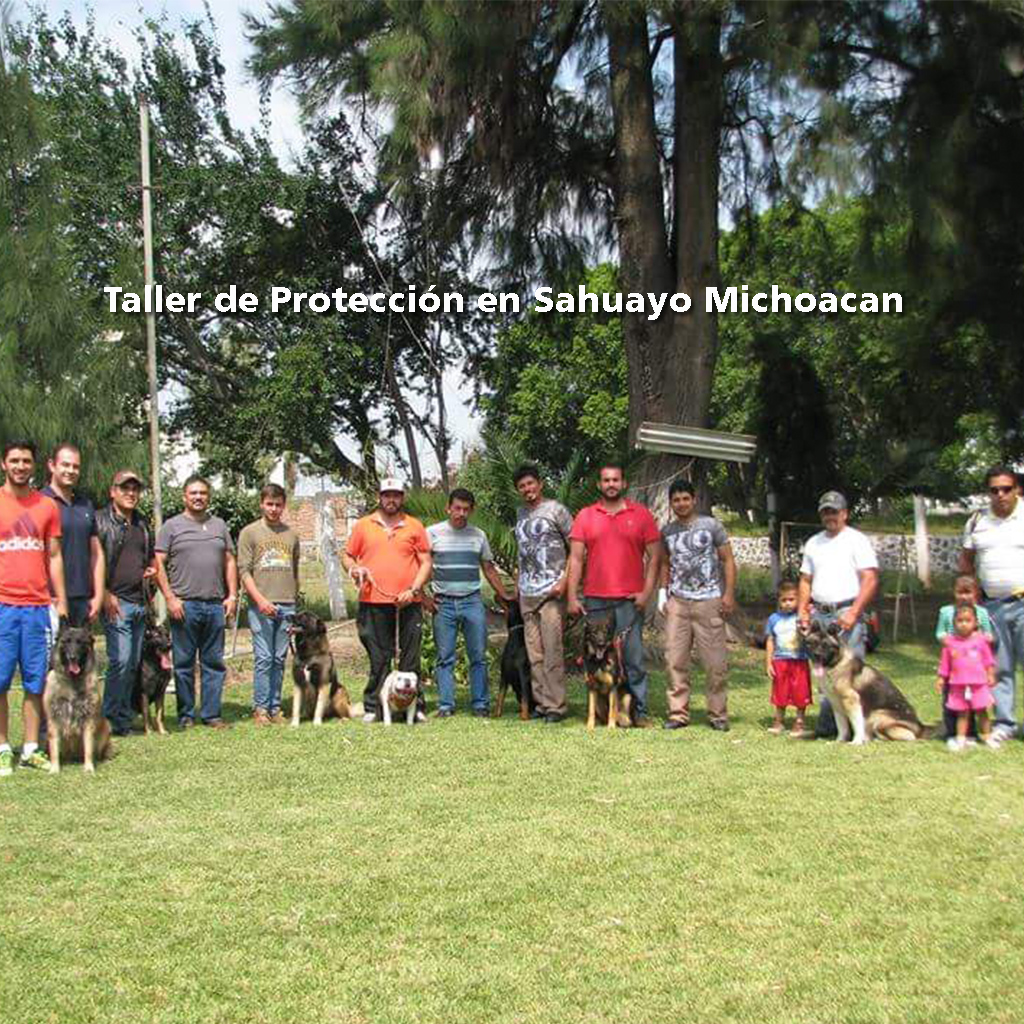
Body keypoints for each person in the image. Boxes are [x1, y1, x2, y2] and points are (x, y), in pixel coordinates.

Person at [567, 462, 660, 728]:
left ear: (624, 484)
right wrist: (572, 597)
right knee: (595, 661)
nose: (611, 484)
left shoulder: (641, 515)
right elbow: (575, 559)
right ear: (599, 484)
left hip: (629, 602)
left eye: (615, 480)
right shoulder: (585, 516)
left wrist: (647, 593)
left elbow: (655, 558)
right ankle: (600, 712)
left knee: (632, 659)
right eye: (606, 480)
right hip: (595, 603)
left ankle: (638, 712)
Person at [0, 440, 67, 775]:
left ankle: (29, 748)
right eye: (14, 460)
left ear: (34, 466)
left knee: (34, 683)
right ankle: (2, 749)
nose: (20, 466)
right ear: (4, 464)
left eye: (26, 461)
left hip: (38, 608)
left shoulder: (47, 507)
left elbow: (54, 557)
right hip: (3, 606)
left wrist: (62, 600)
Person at [342, 477, 432, 724]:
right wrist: (355, 569)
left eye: (396, 495)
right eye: (386, 495)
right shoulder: (363, 525)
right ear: (379, 497)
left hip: (409, 602)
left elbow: (426, 563)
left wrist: (414, 590)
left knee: (410, 657)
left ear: (402, 498)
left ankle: (415, 705)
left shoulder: (414, 526)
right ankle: (375, 707)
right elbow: (348, 557)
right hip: (372, 601)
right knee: (378, 657)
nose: (391, 500)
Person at [154, 476, 237, 730]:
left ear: (208, 496)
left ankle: (212, 715)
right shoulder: (171, 526)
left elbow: (230, 561)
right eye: (193, 493)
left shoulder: (219, 526)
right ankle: (186, 715)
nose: (198, 497)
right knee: (183, 664)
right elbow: (158, 563)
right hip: (184, 605)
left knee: (214, 662)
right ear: (184, 497)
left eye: (202, 492)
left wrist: (232, 595)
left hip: (215, 605)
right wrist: (169, 598)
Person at [798, 490, 878, 738]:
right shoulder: (813, 543)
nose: (830, 516)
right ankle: (832, 727)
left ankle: (861, 730)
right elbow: (805, 580)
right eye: (825, 512)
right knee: (824, 676)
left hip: (846, 612)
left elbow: (870, 578)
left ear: (845, 513)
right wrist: (802, 609)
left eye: (834, 511)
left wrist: (855, 611)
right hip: (820, 615)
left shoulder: (857, 540)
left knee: (849, 676)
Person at [426, 487, 512, 718]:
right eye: (457, 508)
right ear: (448, 508)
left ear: (471, 510)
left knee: (478, 656)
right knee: (445, 657)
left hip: (472, 602)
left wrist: (505, 595)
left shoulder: (479, 535)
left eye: (466, 509)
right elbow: (422, 566)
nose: (461, 513)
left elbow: (488, 568)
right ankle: (446, 705)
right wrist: (422, 596)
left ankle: (480, 704)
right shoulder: (432, 533)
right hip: (443, 603)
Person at [658, 479, 737, 732]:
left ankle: (718, 714)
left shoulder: (711, 525)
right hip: (678, 603)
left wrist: (728, 595)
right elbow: (664, 564)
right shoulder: (668, 532)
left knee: (715, 663)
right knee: (674, 659)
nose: (681, 504)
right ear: (671, 504)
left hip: (709, 600)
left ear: (694, 499)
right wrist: (663, 594)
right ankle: (678, 713)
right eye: (676, 500)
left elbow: (727, 560)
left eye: (685, 499)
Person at [959, 464, 1024, 745]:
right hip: (992, 606)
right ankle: (1005, 724)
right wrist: (972, 596)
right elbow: (966, 561)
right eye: (994, 490)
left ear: (1016, 490)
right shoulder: (977, 521)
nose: (1000, 495)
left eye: (1006, 489)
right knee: (1000, 668)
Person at [96, 469, 156, 736]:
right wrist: (105, 593)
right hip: (115, 603)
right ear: (113, 491)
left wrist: (151, 573)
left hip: (139, 603)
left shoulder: (142, 524)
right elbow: (93, 563)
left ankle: (122, 718)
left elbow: (150, 559)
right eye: (125, 488)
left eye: (135, 489)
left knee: (132, 664)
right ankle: (110, 719)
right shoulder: (100, 521)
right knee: (119, 660)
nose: (131, 494)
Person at [513, 464, 574, 723]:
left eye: (531, 484)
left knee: (552, 650)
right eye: (522, 486)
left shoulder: (557, 510)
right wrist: (518, 583)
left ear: (540, 483)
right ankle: (540, 703)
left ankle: (556, 706)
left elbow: (577, 548)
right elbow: (522, 551)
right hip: (527, 593)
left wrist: (565, 581)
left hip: (552, 592)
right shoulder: (520, 514)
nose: (527, 489)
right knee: (534, 653)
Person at [238, 483, 300, 726]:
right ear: (262, 504)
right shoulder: (249, 533)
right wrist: (260, 600)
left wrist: (295, 600)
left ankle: (275, 707)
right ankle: (261, 708)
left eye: (278, 504)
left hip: (287, 605)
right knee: (263, 657)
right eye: (269, 504)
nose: (274, 509)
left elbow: (295, 571)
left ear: (284, 505)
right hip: (260, 604)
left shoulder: (291, 535)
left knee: (278, 657)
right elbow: (244, 572)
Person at [41, 443, 104, 629]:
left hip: (83, 599)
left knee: (82, 658)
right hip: (49, 600)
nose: (71, 470)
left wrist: (98, 595)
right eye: (65, 465)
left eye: (75, 466)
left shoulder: (85, 506)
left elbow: (97, 554)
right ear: (52, 465)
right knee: (51, 657)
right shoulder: (39, 502)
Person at [934, 574, 995, 742]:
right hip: (954, 662)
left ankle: (973, 733)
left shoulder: (981, 612)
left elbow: (987, 632)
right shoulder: (946, 611)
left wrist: (985, 637)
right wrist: (945, 638)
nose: (964, 596)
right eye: (960, 592)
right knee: (952, 702)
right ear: (954, 593)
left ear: (976, 593)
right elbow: (940, 631)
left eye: (968, 592)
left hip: (974, 664)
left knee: (978, 704)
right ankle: (952, 732)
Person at [764, 580, 811, 737]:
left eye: (791, 599)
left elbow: (810, 635)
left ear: (798, 599)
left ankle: (799, 722)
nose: (788, 603)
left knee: (801, 692)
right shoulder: (773, 619)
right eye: (784, 600)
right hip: (780, 660)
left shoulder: (802, 618)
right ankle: (779, 721)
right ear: (779, 600)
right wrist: (769, 662)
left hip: (799, 660)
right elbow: (770, 640)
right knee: (780, 693)